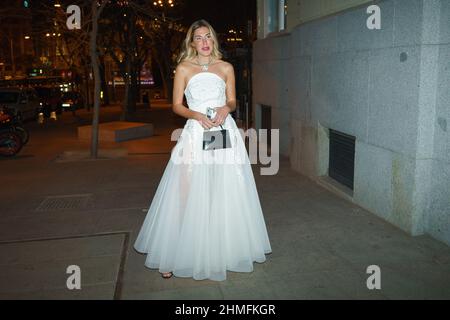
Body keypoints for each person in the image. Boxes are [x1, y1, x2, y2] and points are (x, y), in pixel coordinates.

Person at [133, 19, 272, 281]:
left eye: (208, 36)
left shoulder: (226, 67)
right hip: (196, 133)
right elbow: (176, 105)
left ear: (214, 40)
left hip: (222, 131)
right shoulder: (184, 68)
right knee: (185, 190)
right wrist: (196, 115)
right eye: (199, 37)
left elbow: (231, 100)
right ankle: (174, 252)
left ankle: (223, 249)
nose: (205, 42)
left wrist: (225, 108)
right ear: (191, 42)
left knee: (223, 188)